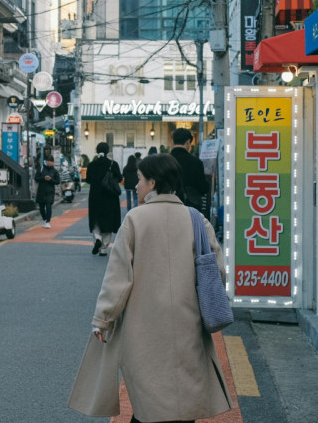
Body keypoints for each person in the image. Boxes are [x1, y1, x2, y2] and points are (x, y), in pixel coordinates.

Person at [69, 154, 232, 423]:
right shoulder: (197, 220)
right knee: (183, 403)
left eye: (140, 179)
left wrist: (103, 319)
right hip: (188, 324)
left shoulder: (135, 220)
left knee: (149, 406)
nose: (136, 185)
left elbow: (118, 279)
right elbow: (219, 273)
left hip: (143, 330)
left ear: (153, 182)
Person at [84, 142, 122, 255]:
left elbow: (88, 180)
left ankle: (97, 238)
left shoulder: (91, 165)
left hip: (95, 197)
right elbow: (119, 178)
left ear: (97, 151)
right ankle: (104, 248)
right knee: (108, 222)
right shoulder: (113, 164)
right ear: (107, 151)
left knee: (95, 220)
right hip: (110, 197)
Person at [170, 129, 208, 214]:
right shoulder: (195, 162)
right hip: (191, 208)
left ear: (173, 141)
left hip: (169, 206)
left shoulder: (164, 161)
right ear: (188, 142)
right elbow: (203, 188)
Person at [35, 156, 60, 227]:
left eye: (51, 161)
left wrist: (51, 179)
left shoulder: (55, 171)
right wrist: (44, 178)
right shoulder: (41, 168)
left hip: (50, 191)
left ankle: (48, 222)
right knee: (41, 207)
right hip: (41, 191)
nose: (49, 163)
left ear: (53, 162)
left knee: (49, 206)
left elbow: (58, 181)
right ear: (46, 161)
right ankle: (44, 219)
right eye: (48, 161)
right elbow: (36, 178)